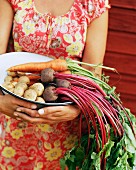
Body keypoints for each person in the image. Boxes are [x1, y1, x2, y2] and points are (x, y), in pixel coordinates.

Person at [0, 0, 110, 169]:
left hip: (64, 123)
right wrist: (0, 103)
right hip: (18, 113)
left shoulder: (93, 4)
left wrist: (76, 110)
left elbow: (93, 74)